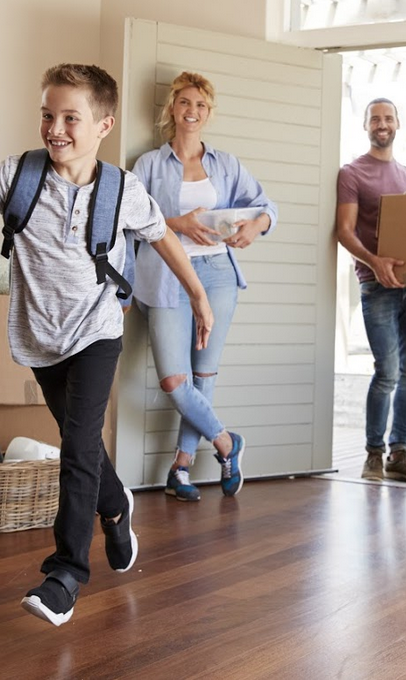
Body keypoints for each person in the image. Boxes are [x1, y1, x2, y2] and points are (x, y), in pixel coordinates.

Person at [0, 64, 214, 629]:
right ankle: (116, 504)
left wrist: (200, 299)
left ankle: (66, 573)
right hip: (39, 336)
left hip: (97, 330)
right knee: (77, 439)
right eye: (47, 115)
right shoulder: (19, 176)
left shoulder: (122, 190)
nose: (54, 128)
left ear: (104, 124)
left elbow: (162, 238)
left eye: (70, 118)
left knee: (80, 443)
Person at [131, 71, 277, 501]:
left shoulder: (225, 164)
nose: (192, 111)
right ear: (172, 108)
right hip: (166, 277)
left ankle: (180, 469)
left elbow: (266, 207)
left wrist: (256, 226)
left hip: (218, 275)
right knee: (176, 381)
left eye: (201, 105)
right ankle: (227, 443)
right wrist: (176, 223)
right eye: (185, 103)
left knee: (204, 375)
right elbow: (130, 217)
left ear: (209, 114)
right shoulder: (149, 164)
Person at [335, 98, 406, 483]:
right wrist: (375, 262)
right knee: (387, 371)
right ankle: (374, 453)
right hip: (376, 285)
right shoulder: (352, 173)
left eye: (389, 117)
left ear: (398, 124)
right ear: (366, 125)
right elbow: (344, 230)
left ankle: (400, 453)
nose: (382, 124)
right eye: (376, 118)